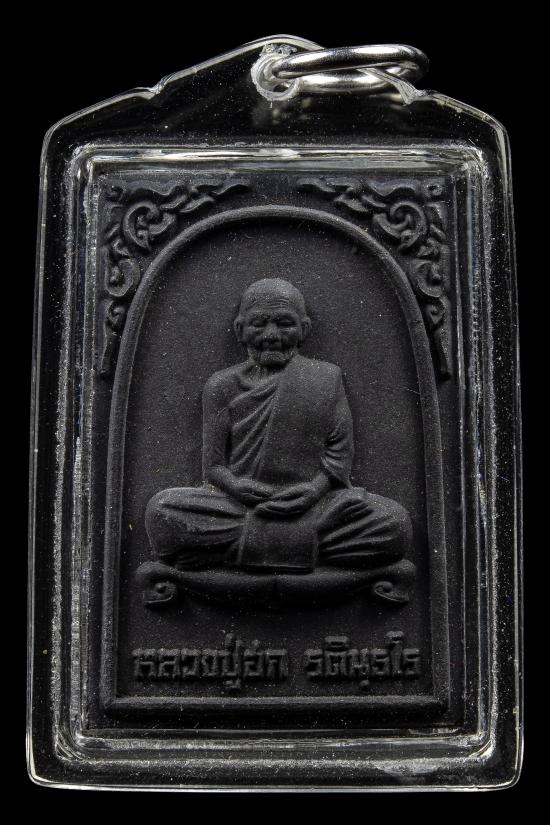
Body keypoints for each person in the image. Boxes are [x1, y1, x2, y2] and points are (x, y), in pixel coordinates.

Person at [145, 278, 412, 573]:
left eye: (284, 324)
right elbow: (214, 467)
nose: (271, 335)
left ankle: (235, 550)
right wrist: (237, 487)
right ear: (240, 330)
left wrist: (313, 491)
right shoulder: (221, 385)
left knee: (394, 523)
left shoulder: (326, 378)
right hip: (241, 504)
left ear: (303, 329)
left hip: (313, 505)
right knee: (163, 511)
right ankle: (302, 545)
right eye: (258, 324)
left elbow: (339, 457)